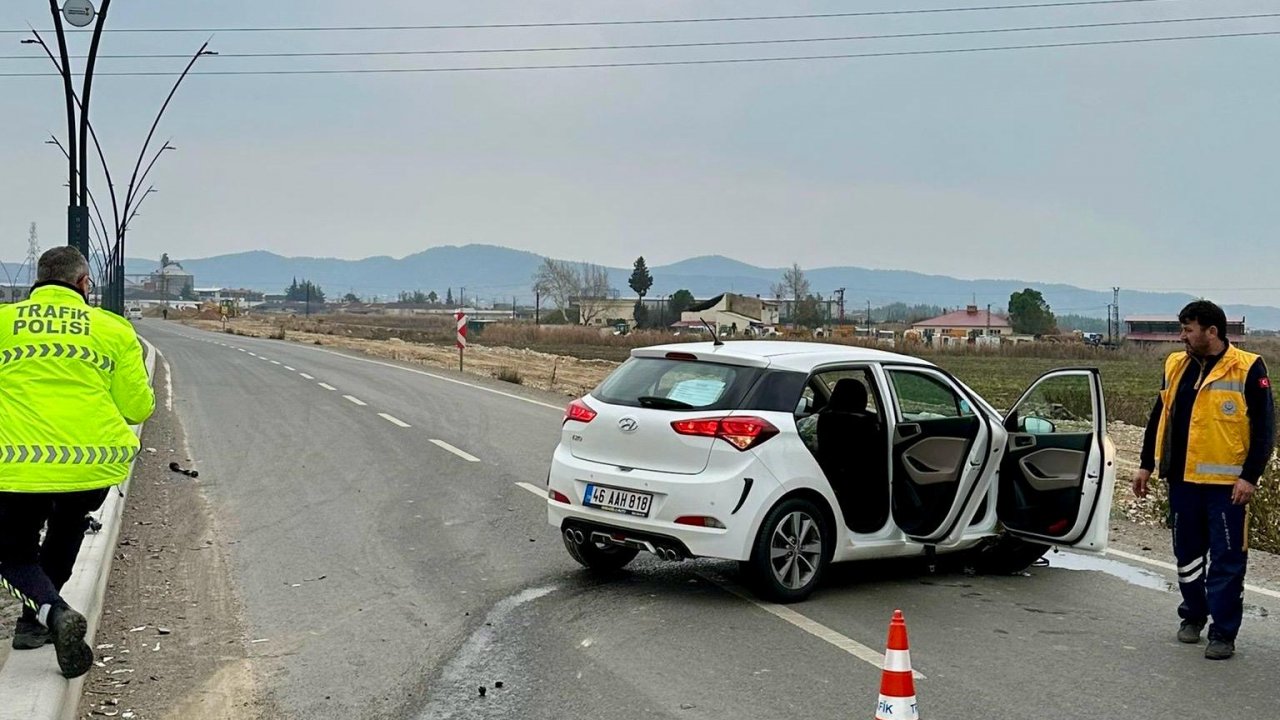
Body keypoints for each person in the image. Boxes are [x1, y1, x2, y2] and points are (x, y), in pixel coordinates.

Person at [0, 247, 155, 678]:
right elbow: (138, 408)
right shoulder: (113, 329)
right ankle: (32, 625)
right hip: (90, 467)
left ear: (37, 280)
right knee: (67, 525)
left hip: (17, 466)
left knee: (12, 554)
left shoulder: (3, 323)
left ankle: (52, 612)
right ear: (84, 283)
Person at [1133, 300, 1274, 660]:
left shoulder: (1248, 367)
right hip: (1182, 481)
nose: (1182, 336)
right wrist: (1146, 464)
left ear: (1212, 331)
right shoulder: (1175, 365)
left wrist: (1249, 477)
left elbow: (1264, 429)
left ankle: (1223, 633)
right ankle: (1193, 615)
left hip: (1227, 489)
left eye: (1188, 330)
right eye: (1181, 329)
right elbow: (1159, 415)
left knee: (1227, 560)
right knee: (1187, 555)